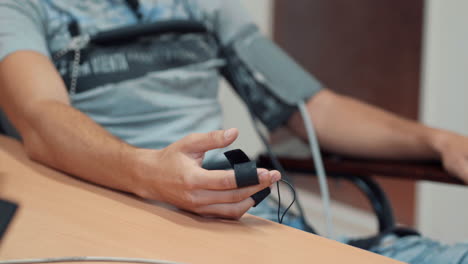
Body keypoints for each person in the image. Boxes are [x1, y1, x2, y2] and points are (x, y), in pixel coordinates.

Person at [0, 1, 467, 263]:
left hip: (270, 237)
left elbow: (312, 108)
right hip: (134, 235)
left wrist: (440, 141)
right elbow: (41, 117)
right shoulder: (23, 9)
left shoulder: (204, 6)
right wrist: (150, 173)